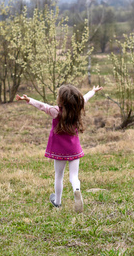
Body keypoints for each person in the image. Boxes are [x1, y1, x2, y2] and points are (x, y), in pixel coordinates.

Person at [16, 84, 103, 213]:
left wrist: (29, 100)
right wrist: (93, 91)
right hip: (74, 148)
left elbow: (42, 106)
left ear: (61, 99)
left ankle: (57, 202)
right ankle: (76, 190)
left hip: (59, 150)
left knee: (59, 175)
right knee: (74, 176)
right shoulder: (77, 108)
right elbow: (84, 98)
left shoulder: (55, 111)